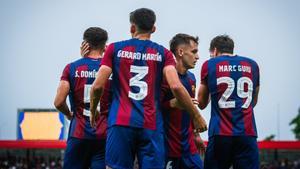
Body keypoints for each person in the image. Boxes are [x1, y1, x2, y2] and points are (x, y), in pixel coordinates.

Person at [89, 8, 207, 169]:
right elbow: (176, 86)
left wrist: (93, 109)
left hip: (120, 122)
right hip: (150, 125)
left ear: (132, 28)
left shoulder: (114, 49)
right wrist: (196, 116)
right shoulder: (164, 53)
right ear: (153, 29)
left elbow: (97, 87)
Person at [197, 35, 260, 169]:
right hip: (247, 132)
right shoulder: (252, 65)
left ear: (214, 51)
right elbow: (254, 101)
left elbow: (201, 103)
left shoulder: (209, 64)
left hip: (220, 132)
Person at [54, 27, 110, 169]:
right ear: (105, 45)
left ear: (85, 44)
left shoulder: (72, 68)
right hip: (104, 134)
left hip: (78, 133)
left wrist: (68, 114)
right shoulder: (111, 69)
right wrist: (107, 56)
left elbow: (59, 101)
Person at [161, 33, 205, 169]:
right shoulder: (165, 76)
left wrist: (196, 134)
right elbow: (152, 107)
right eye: (194, 52)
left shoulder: (191, 78)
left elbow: (190, 108)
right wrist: (171, 103)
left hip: (189, 148)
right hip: (168, 148)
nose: (197, 57)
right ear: (180, 52)